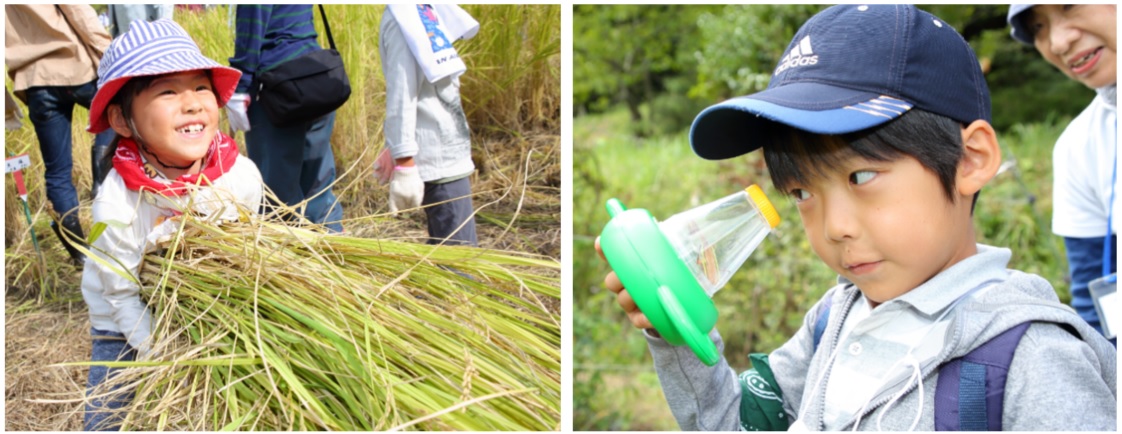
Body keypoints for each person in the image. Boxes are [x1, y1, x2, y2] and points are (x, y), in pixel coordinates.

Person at [596, 5, 1116, 431]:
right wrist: (675, 333)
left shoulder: (1031, 361)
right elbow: (742, 425)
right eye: (801, 192)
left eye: (861, 178)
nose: (833, 227)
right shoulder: (836, 319)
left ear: (971, 159)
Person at [80, 19, 263, 430]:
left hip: (202, 304)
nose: (193, 103)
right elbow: (122, 296)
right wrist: (169, 357)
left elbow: (248, 249)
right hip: (120, 313)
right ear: (124, 121)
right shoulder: (118, 201)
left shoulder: (240, 176)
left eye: (201, 87)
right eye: (167, 91)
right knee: (110, 405)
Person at [1007, 5, 1117, 343]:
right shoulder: (1080, 145)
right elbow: (1092, 299)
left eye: (1069, 6)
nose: (1057, 42)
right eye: (1038, 27)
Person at [5, 4, 115, 263]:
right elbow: (78, 11)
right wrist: (110, 54)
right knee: (116, 119)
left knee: (56, 173)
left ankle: (80, 254)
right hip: (76, 67)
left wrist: (7, 108)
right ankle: (102, 183)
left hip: (35, 82)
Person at [227, 4, 344, 233]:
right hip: (315, 76)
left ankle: (289, 259)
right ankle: (333, 247)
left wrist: (240, 87)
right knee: (318, 185)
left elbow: (252, 29)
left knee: (277, 197)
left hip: (276, 87)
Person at [378, 5, 479, 246]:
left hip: (450, 155)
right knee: (460, 264)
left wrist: (393, 147)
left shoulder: (424, 10)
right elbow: (401, 91)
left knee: (451, 257)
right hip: (439, 164)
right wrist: (402, 158)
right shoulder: (404, 20)